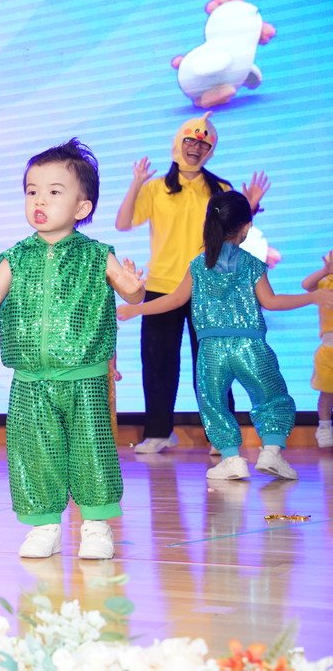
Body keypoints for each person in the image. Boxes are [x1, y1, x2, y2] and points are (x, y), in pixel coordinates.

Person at [0, 138, 145, 559]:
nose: (39, 200)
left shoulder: (96, 254)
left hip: (84, 376)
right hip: (30, 380)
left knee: (92, 449)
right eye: (32, 191)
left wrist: (134, 285)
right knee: (35, 452)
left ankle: (96, 525)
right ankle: (45, 526)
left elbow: (131, 294)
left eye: (54, 191)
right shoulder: (14, 257)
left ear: (81, 207)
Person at [119, 192, 333, 480]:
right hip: (250, 346)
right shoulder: (251, 264)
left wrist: (136, 309)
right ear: (246, 227)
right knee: (271, 396)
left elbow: (175, 300)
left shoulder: (199, 264)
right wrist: (312, 297)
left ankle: (231, 459)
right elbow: (270, 302)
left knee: (213, 402)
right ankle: (271, 451)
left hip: (211, 350)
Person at [114, 113, 269, 454]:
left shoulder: (220, 189)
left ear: (210, 151)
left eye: (204, 144)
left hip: (208, 286)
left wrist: (250, 207)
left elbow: (235, 233)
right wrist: (137, 182)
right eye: (190, 140)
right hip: (162, 285)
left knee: (214, 363)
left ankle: (221, 435)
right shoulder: (156, 188)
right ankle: (158, 433)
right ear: (178, 143)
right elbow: (122, 223)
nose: (196, 148)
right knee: (158, 363)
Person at [302, 251, 333, 448]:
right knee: (327, 392)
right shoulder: (325, 283)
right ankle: (324, 427)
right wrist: (325, 271)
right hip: (329, 349)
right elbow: (306, 285)